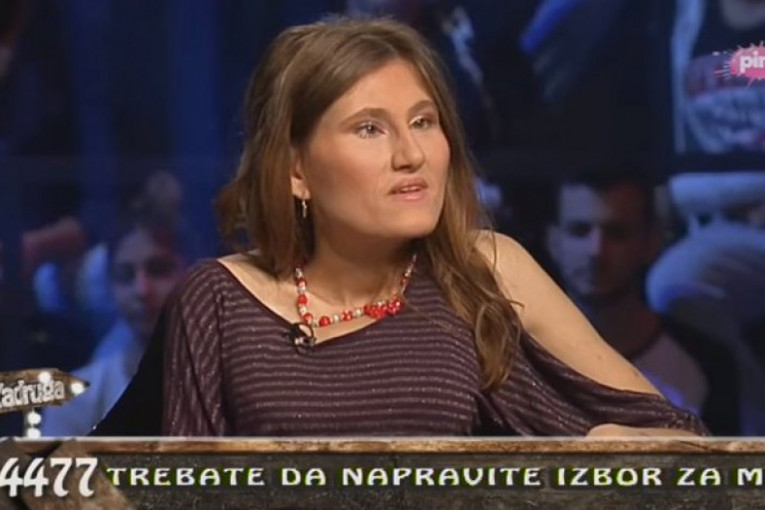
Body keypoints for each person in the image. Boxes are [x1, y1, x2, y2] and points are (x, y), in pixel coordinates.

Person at [107, 17, 706, 437]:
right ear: (295, 171)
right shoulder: (218, 299)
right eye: (370, 129)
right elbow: (161, 484)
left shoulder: (486, 268)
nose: (412, 154)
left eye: (423, 122)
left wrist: (604, 445)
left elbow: (677, 440)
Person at [546, 170, 742, 434]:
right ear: (554, 242)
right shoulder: (515, 361)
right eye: (579, 231)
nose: (596, 250)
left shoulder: (707, 363)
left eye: (617, 233)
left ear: (651, 243)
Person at [40, 204, 190, 436]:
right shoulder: (76, 400)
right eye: (125, 275)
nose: (142, 290)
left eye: (158, 270)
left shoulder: (230, 385)